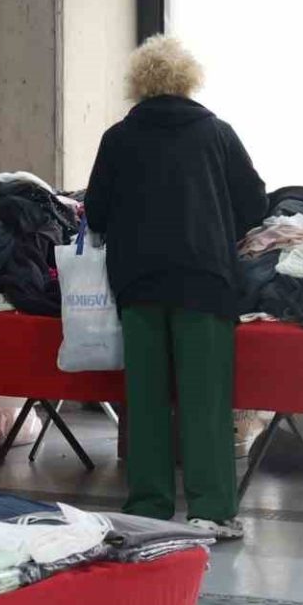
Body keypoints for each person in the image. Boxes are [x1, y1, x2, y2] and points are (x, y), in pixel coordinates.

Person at [85, 35, 267, 541]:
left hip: (139, 283)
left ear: (138, 82)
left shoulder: (117, 138)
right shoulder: (218, 134)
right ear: (188, 79)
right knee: (204, 400)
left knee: (145, 401)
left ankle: (149, 505)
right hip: (204, 281)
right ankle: (210, 509)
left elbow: (95, 213)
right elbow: (255, 203)